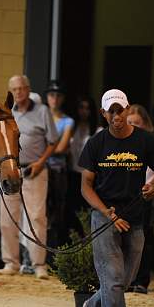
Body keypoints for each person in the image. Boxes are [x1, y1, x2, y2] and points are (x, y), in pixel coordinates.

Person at [77, 89, 154, 307]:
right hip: (105, 218)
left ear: (129, 110)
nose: (117, 116)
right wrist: (107, 213)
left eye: (121, 110)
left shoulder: (146, 141)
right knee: (114, 279)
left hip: (135, 218)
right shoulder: (96, 144)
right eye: (112, 111)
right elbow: (85, 186)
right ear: (104, 113)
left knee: (122, 282)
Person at [0, 75, 58, 279]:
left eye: (22, 88)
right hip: (10, 170)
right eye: (14, 89)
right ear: (10, 91)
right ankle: (10, 262)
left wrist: (41, 162)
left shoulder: (42, 111)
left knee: (37, 217)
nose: (19, 92)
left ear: (29, 89)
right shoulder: (6, 113)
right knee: (8, 218)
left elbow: (53, 142)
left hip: (35, 169)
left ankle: (39, 264)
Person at [126, 104, 154, 294]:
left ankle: (142, 280)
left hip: (144, 195)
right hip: (126, 196)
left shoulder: (150, 142)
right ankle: (127, 278)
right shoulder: (122, 141)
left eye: (137, 123)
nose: (133, 126)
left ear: (145, 124)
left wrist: (148, 186)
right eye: (130, 122)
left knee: (141, 238)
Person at [45, 80, 74, 252]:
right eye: (51, 95)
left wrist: (45, 149)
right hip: (41, 169)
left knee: (57, 211)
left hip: (57, 170)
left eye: (58, 95)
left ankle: (53, 252)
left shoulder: (67, 121)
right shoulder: (42, 116)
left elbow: (62, 148)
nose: (54, 99)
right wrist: (52, 148)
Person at [65, 96, 99, 237]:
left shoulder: (97, 130)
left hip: (89, 176)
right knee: (71, 211)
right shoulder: (71, 128)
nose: (84, 111)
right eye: (81, 107)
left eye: (87, 108)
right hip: (72, 174)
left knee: (87, 211)